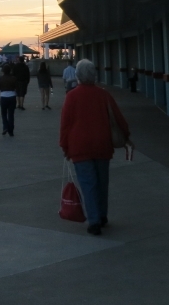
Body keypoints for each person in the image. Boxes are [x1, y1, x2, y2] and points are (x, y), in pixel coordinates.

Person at [59, 59, 133, 236]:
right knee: (102, 182)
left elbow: (65, 124)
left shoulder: (72, 96)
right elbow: (118, 118)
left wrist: (64, 146)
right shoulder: (104, 95)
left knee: (88, 184)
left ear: (77, 75)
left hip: (79, 147)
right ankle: (102, 215)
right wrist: (126, 136)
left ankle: (94, 221)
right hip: (102, 145)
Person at [0, 64, 18, 136]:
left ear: (3, 71)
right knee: (11, 114)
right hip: (12, 96)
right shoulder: (14, 78)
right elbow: (17, 87)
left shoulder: (0, 78)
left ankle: (5, 126)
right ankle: (11, 131)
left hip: (3, 96)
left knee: (4, 113)